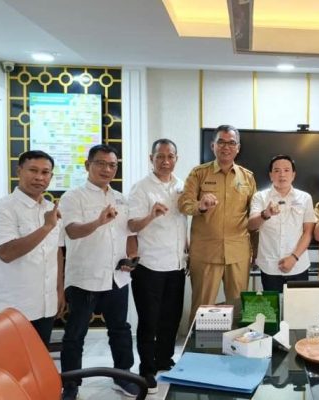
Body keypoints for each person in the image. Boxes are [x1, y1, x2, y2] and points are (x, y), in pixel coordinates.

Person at [59, 144, 139, 399]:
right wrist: (98, 222)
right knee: (75, 334)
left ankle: (123, 376)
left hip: (117, 277)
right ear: (87, 165)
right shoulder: (73, 197)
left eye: (112, 165)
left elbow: (128, 233)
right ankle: (71, 385)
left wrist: (131, 257)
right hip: (85, 277)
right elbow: (72, 231)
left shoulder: (120, 198)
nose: (107, 169)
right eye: (101, 163)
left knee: (120, 329)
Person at [0, 150, 64, 345]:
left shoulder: (50, 209)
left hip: (45, 304)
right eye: (33, 170)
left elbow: (56, 252)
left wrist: (59, 290)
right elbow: (6, 253)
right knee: (9, 362)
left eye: (45, 172)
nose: (39, 177)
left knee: (38, 359)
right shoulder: (2, 209)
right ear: (19, 171)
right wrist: (46, 228)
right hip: (12, 307)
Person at [178, 125, 256, 320]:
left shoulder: (247, 177)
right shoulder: (199, 173)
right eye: (221, 142)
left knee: (239, 309)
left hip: (238, 252)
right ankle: (198, 342)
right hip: (205, 252)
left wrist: (255, 250)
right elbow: (184, 204)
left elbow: (253, 216)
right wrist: (200, 206)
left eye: (231, 143)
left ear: (238, 148)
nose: (226, 147)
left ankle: (236, 342)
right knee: (202, 309)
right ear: (213, 145)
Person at [127, 138, 187, 393]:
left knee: (171, 318)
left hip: (176, 264)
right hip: (149, 265)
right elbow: (131, 225)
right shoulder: (141, 188)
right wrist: (151, 214)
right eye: (160, 156)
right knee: (149, 320)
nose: (165, 161)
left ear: (176, 159)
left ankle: (164, 359)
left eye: (170, 156)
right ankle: (147, 368)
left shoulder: (182, 186)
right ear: (150, 159)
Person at [248, 155, 315, 292]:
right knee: (272, 305)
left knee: (298, 305)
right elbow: (251, 225)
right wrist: (265, 214)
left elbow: (308, 232)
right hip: (269, 267)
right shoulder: (260, 197)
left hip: (298, 265)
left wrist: (293, 258)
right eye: (277, 170)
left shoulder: (305, 198)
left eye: (286, 170)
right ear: (271, 175)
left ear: (293, 175)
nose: (282, 174)